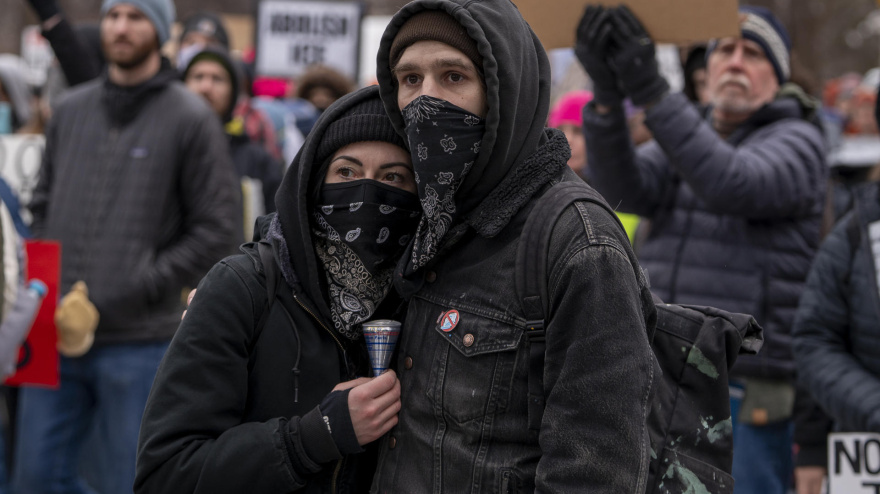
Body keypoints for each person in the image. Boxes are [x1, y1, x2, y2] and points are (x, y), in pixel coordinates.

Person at [369, 0, 655, 491]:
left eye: (453, 76)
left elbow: (595, 472)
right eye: (410, 79)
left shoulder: (580, 243)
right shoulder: (423, 213)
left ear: (507, 92)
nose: (424, 100)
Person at [577, 5, 827, 494]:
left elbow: (732, 182)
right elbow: (623, 191)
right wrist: (607, 97)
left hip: (746, 384)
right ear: (706, 71)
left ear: (776, 78)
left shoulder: (799, 138)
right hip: (665, 368)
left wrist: (651, 91)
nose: (734, 61)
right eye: (725, 50)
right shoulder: (688, 133)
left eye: (752, 53)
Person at [135, 85, 418, 493]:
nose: (366, 190)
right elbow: (166, 473)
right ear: (314, 182)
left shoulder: (424, 298)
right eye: (347, 173)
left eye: (393, 177)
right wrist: (311, 438)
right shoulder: (242, 288)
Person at [15, 0, 242, 491]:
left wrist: (140, 283)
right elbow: (40, 204)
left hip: (140, 341)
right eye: (114, 14)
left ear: (160, 31)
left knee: (126, 479)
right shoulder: (70, 110)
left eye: (136, 16)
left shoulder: (190, 118)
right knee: (32, 477)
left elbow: (217, 229)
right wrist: (41, 280)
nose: (121, 27)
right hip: (53, 335)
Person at [182, 46, 282, 219]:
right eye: (198, 77)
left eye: (217, 79)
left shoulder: (258, 162)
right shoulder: (164, 147)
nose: (206, 87)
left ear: (233, 91)